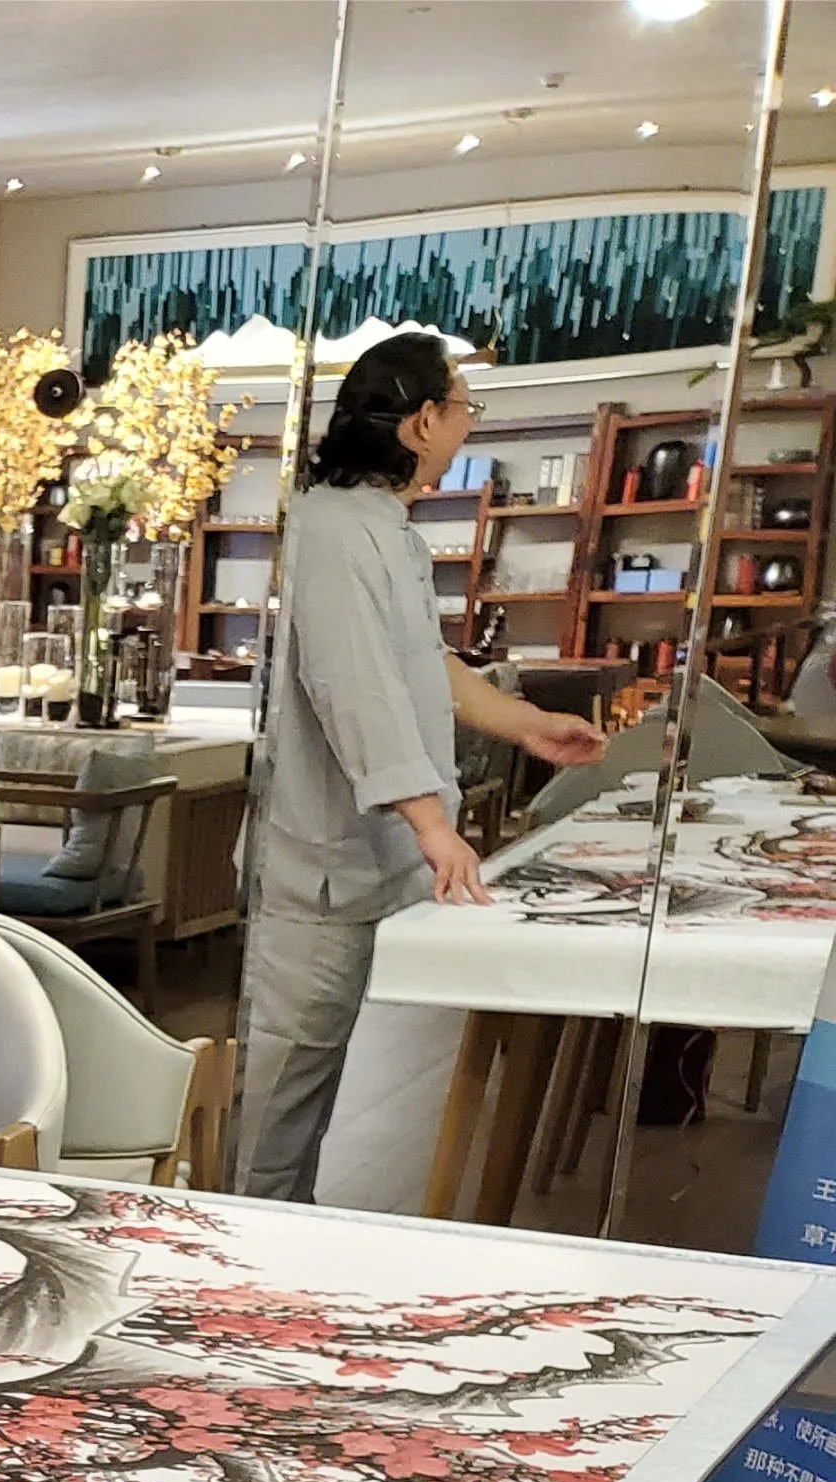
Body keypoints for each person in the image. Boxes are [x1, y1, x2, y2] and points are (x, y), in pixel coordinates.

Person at [238, 330, 609, 1204]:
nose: (467, 423)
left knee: (311, 1088)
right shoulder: (330, 529)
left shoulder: (385, 530)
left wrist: (524, 724)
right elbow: (355, 689)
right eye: (461, 406)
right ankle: (238, 1248)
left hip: (365, 863)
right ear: (418, 423)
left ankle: (280, 1240)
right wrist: (432, 823)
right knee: (279, 1094)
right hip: (317, 867)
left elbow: (418, 663)